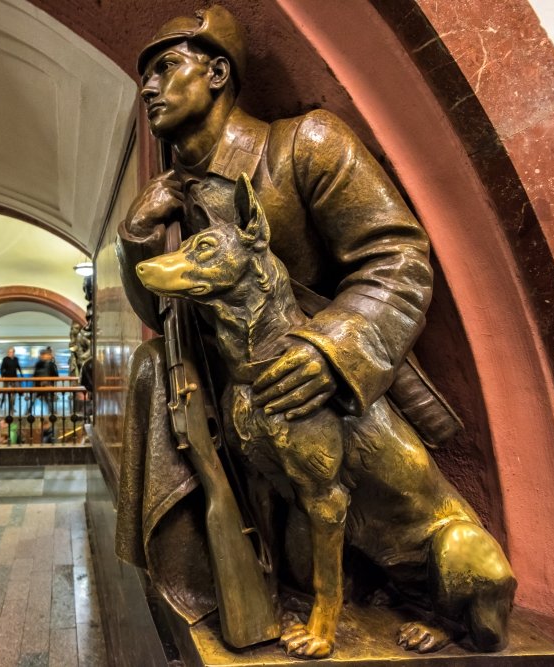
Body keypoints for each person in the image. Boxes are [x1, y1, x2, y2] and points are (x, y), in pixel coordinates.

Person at [114, 4, 463, 655]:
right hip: (223, 406)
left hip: (310, 405)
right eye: (147, 75)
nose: (150, 87)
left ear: (217, 70)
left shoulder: (306, 145)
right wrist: (136, 235)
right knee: (146, 370)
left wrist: (331, 349)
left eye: (166, 67)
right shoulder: (169, 192)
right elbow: (152, 306)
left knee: (335, 535)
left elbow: (398, 258)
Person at [0, 346, 23, 414]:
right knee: (4, 393)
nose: (10, 353)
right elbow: (2, 368)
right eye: (9, 352)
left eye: (11, 352)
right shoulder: (5, 359)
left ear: (14, 353)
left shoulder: (16, 359)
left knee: (13, 394)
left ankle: (11, 407)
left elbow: (18, 367)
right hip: (7, 378)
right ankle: (2, 403)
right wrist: (2, 376)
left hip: (14, 378)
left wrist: (21, 375)